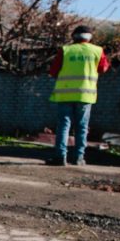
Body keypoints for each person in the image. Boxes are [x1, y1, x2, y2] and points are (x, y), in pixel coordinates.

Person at [47, 25, 110, 166]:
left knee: (64, 125)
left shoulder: (66, 50)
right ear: (90, 37)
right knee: (82, 127)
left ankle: (60, 157)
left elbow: (53, 71)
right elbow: (103, 68)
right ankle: (79, 158)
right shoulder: (97, 51)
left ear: (74, 37)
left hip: (65, 94)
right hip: (86, 95)